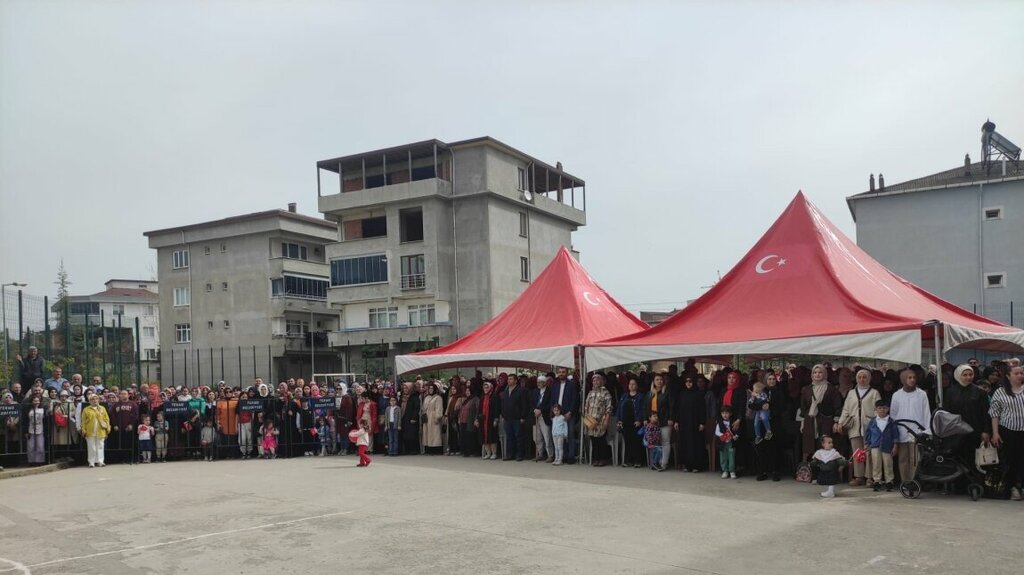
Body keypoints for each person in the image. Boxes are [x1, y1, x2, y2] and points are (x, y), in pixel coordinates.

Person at [838, 369, 882, 487]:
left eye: (864, 377)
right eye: (860, 377)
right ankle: (859, 476)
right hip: (854, 426)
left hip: (870, 426)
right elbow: (846, 409)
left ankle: (870, 477)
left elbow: (878, 409)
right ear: (856, 379)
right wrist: (841, 422)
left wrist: (876, 422)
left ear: (869, 379)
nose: (862, 379)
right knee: (857, 452)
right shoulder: (851, 393)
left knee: (869, 453)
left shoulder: (874, 393)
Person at [944, 364, 992, 468]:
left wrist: (986, 431)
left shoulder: (980, 392)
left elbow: (985, 413)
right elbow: (947, 412)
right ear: (958, 376)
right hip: (957, 432)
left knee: (974, 458)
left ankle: (975, 477)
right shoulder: (951, 392)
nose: (968, 377)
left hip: (975, 430)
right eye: (965, 375)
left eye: (971, 374)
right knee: (958, 458)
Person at [890, 368, 931, 483]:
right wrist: (894, 432)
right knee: (903, 458)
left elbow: (926, 412)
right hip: (901, 431)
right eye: (909, 378)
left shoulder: (921, 394)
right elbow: (893, 414)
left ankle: (914, 481)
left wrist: (927, 430)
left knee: (915, 458)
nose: (912, 380)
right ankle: (905, 482)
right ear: (903, 379)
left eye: (914, 377)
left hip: (917, 431)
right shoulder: (897, 395)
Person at [990, 365, 1024, 501]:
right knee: (1010, 460)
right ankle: (1013, 488)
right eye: (1016, 373)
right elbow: (995, 414)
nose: (1020, 375)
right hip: (1008, 430)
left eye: (1021, 373)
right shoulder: (1000, 392)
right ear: (1008, 376)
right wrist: (995, 433)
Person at [800, 364, 842, 462]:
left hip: (826, 420)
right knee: (809, 446)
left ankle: (825, 467)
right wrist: (802, 423)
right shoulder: (807, 389)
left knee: (824, 443)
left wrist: (836, 422)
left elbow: (837, 406)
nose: (817, 374)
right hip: (810, 421)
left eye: (820, 372)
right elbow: (803, 407)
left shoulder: (831, 389)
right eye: (815, 372)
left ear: (824, 374)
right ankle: (809, 468)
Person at [864, 399, 898, 492]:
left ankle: (889, 481)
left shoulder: (891, 422)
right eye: (879, 408)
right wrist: (867, 443)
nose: (882, 410)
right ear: (876, 409)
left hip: (887, 445)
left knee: (888, 463)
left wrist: (895, 445)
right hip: (875, 445)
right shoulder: (873, 421)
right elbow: (868, 433)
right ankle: (877, 481)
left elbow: (895, 434)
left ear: (888, 409)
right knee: (876, 464)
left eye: (884, 408)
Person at [642, 373, 673, 471]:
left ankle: (663, 463)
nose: (659, 381)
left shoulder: (667, 392)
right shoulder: (649, 394)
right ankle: (655, 463)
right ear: (653, 382)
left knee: (665, 441)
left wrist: (671, 418)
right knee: (654, 443)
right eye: (657, 380)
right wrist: (645, 419)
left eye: (661, 379)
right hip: (652, 422)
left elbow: (671, 406)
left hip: (664, 421)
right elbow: (645, 407)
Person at [549, 369, 579, 463]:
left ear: (567, 373)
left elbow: (575, 399)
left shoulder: (572, 385)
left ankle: (571, 456)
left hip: (568, 413)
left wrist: (570, 412)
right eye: (560, 372)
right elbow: (552, 399)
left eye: (563, 372)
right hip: (557, 414)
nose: (561, 374)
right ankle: (563, 456)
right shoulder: (555, 385)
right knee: (559, 435)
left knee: (569, 434)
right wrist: (552, 413)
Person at [583, 373, 614, 467]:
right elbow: (586, 406)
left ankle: (603, 459)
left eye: (597, 380)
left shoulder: (606, 393)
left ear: (601, 381)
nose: (595, 382)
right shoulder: (590, 393)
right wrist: (586, 419)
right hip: (591, 420)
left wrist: (606, 420)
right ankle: (596, 459)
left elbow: (609, 408)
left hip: (601, 421)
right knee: (593, 440)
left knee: (601, 440)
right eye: (594, 380)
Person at [500, 375, 529, 461]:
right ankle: (510, 454)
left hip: (517, 418)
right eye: (508, 379)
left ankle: (519, 455)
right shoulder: (505, 391)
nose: (509, 381)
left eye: (511, 379)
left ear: (516, 381)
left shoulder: (521, 390)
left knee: (518, 437)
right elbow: (503, 404)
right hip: (507, 418)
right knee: (509, 437)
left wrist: (523, 416)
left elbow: (524, 404)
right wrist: (503, 415)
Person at [617, 378, 645, 468]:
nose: (631, 386)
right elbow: (619, 408)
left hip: (636, 422)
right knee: (627, 442)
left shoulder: (641, 396)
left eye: (633, 384)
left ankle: (637, 461)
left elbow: (642, 409)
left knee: (636, 442)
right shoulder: (624, 396)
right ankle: (627, 461)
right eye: (630, 384)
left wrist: (639, 420)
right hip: (625, 422)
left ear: (637, 386)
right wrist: (619, 420)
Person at [81, 393, 110, 468]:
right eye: (92, 399)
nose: (95, 400)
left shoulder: (102, 408)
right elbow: (83, 421)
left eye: (96, 399)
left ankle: (100, 461)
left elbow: (106, 419)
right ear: (89, 401)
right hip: (90, 431)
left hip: (101, 430)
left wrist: (108, 428)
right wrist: (83, 429)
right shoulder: (86, 409)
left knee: (100, 446)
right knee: (91, 447)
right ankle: (91, 462)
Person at [530, 375, 553, 462]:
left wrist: (541, 410)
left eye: (540, 382)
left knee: (547, 437)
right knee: (537, 437)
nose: (538, 384)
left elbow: (550, 404)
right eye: (537, 382)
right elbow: (531, 403)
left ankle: (550, 455)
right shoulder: (535, 391)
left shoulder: (549, 391)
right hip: (536, 416)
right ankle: (540, 454)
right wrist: (534, 410)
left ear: (545, 383)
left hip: (545, 416)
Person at [421, 383, 444, 455]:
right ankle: (428, 449)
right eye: (429, 388)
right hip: (427, 417)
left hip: (433, 417)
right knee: (427, 434)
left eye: (432, 388)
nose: (431, 390)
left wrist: (438, 417)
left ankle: (435, 450)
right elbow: (423, 407)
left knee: (435, 434)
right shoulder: (426, 397)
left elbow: (439, 408)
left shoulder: (438, 398)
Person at [479, 381, 501, 460]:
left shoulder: (494, 397)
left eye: (487, 387)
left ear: (491, 388)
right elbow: (479, 409)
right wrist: (477, 419)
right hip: (483, 420)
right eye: (484, 387)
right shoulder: (482, 397)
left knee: (492, 436)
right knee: (484, 437)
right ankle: (488, 453)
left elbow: (497, 409)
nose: (485, 389)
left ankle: (494, 453)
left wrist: (496, 419)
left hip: (491, 419)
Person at [714, 406, 737, 479]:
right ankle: (725, 471)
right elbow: (717, 432)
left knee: (731, 456)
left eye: (726, 413)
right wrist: (724, 435)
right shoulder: (719, 423)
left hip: (731, 443)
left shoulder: (733, 422)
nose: (725, 415)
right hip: (722, 443)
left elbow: (736, 431)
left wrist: (735, 436)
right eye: (723, 413)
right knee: (723, 456)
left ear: (730, 414)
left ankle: (732, 471)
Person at [23, 394, 47, 465]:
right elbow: (25, 421)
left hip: (40, 430)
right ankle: (31, 461)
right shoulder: (28, 410)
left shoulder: (43, 410)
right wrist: (25, 431)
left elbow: (45, 420)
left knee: (40, 447)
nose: (36, 402)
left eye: (38, 401)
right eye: (35, 401)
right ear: (32, 401)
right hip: (30, 430)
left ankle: (40, 461)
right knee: (31, 447)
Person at [458, 386, 480, 458]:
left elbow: (478, 410)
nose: (467, 392)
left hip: (470, 421)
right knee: (464, 436)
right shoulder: (466, 400)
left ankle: (471, 451)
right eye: (466, 391)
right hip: (463, 421)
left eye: (469, 391)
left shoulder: (475, 399)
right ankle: (465, 451)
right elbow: (462, 409)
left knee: (470, 436)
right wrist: (459, 418)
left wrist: (476, 419)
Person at [399, 383, 419, 455]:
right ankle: (406, 449)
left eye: (407, 388)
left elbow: (416, 408)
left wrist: (414, 418)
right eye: (404, 388)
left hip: (411, 418)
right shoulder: (401, 397)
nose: (405, 390)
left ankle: (413, 450)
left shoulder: (414, 397)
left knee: (411, 434)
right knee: (404, 434)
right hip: (403, 418)